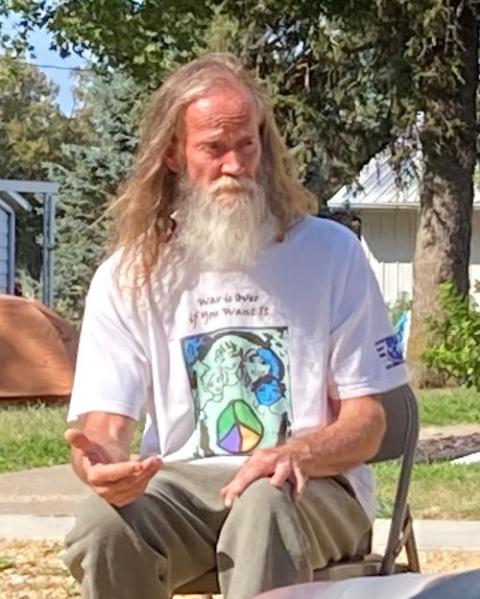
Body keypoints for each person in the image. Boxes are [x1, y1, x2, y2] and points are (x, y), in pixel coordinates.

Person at [63, 53, 408, 599]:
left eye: (247, 144)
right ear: (173, 154)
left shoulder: (329, 252)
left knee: (263, 503)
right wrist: (99, 463)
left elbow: (368, 423)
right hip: (186, 491)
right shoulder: (129, 275)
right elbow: (106, 428)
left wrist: (299, 452)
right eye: (213, 149)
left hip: (314, 488)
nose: (235, 165)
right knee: (102, 528)